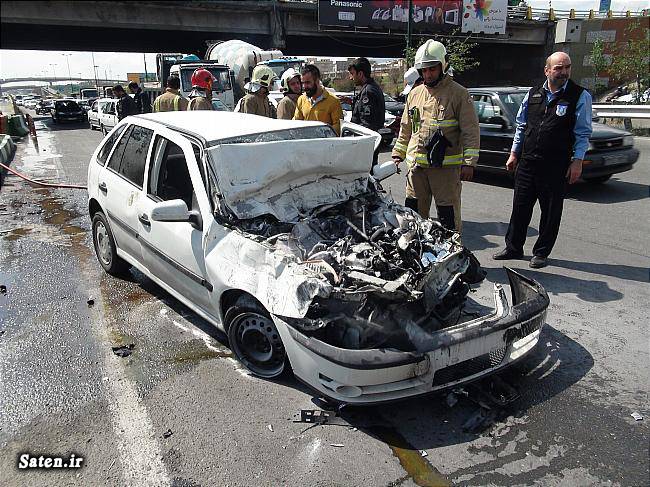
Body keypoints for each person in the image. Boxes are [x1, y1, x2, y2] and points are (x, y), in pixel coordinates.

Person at [493, 52, 592, 268]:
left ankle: (541, 252)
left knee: (550, 212)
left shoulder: (579, 96)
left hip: (555, 165)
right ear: (547, 70)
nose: (564, 72)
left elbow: (583, 133)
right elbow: (521, 126)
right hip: (527, 163)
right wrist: (514, 154)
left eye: (567, 67)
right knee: (520, 207)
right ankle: (513, 247)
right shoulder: (533, 94)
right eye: (558, 68)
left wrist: (577, 161)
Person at [391, 40, 480, 233]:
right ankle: (415, 254)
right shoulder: (414, 94)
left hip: (445, 170)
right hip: (416, 170)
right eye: (424, 70)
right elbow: (406, 127)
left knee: (447, 217)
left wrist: (469, 162)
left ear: (443, 66)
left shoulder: (459, 94)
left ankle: (453, 256)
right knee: (413, 215)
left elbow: (470, 130)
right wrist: (398, 151)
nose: (428, 74)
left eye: (432, 69)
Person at [294, 64, 343, 135]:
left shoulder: (333, 101)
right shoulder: (301, 99)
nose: (304, 86)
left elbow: (338, 127)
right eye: (302, 83)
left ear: (317, 81)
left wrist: (321, 135)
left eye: (307, 82)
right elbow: (296, 122)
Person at [348, 57, 385, 132]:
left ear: (360, 74)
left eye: (352, 74)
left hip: (366, 139)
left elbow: (367, 123)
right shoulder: (373, 87)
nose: (351, 78)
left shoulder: (367, 92)